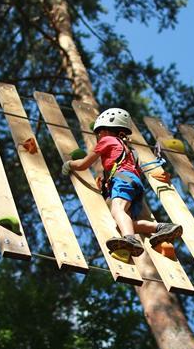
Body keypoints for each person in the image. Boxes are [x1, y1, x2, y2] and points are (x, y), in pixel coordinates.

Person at [62, 107, 183, 256]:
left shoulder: (107, 140)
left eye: (99, 132)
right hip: (134, 183)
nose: (99, 136)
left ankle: (130, 239)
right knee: (124, 224)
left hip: (123, 178)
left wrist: (69, 164)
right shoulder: (129, 149)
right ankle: (161, 227)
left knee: (117, 209)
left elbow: (84, 164)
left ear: (106, 130)